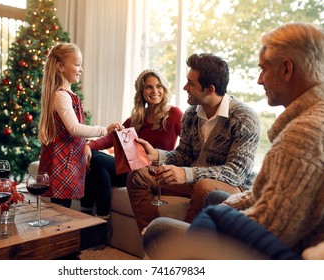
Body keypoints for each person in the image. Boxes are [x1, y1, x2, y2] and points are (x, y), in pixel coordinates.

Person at [143, 22, 324, 259]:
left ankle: (184, 258)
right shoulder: (308, 121)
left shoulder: (304, 134)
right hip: (238, 200)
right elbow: (261, 195)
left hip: (278, 253)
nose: (259, 80)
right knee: (214, 199)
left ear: (287, 69)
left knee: (159, 230)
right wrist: (158, 156)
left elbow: (269, 228)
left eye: (263, 69)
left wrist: (212, 221)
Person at [127, 53, 261, 232]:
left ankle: (184, 248)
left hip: (232, 187)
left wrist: (187, 174)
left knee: (204, 186)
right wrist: (158, 154)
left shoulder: (244, 117)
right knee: (138, 177)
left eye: (191, 83)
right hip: (194, 180)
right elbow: (184, 155)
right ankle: (153, 236)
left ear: (210, 90)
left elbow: (236, 172)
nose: (184, 87)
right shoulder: (191, 114)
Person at [81, 69, 183, 217]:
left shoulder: (174, 114)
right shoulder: (138, 117)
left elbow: (187, 146)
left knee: (98, 160)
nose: (155, 91)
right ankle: (91, 216)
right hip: (132, 169)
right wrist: (88, 146)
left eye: (159, 86)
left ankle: (92, 215)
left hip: (152, 173)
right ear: (141, 92)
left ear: (164, 89)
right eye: (149, 87)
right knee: (94, 158)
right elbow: (111, 138)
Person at [38, 43, 122, 208]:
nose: (81, 69)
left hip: (68, 160)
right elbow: (74, 128)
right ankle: (62, 234)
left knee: (63, 208)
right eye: (77, 64)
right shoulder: (61, 95)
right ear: (60, 67)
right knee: (61, 209)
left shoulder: (67, 95)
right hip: (63, 162)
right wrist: (104, 130)